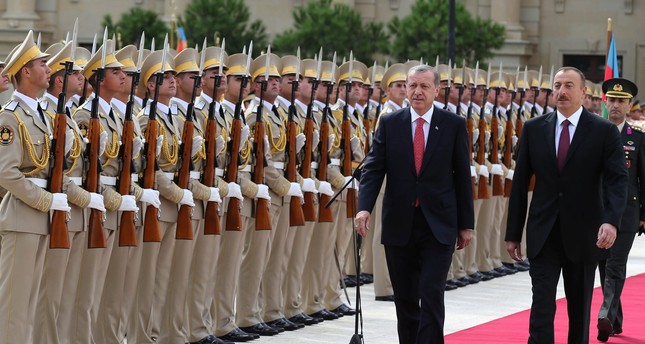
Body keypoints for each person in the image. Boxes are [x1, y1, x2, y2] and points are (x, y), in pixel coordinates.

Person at [505, 66, 628, 344]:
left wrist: (611, 220)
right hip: (543, 233)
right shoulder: (535, 129)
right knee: (541, 305)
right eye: (557, 85)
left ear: (583, 92)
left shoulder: (603, 131)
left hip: (584, 235)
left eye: (569, 86)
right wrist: (513, 233)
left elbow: (616, 181)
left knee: (579, 308)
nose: (561, 91)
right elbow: (521, 181)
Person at [355, 64, 474, 344]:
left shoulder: (453, 124)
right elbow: (374, 168)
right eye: (412, 86)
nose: (417, 92)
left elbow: (461, 176)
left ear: (436, 90)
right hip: (400, 223)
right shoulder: (390, 123)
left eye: (424, 86)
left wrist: (466, 225)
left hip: (439, 225)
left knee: (431, 296)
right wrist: (364, 207)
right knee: (406, 301)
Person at [596, 77, 644, 342]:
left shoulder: (637, 138)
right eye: (611, 100)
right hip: (598, 210)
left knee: (615, 264)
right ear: (605, 102)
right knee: (603, 265)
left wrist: (644, 216)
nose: (615, 105)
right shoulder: (593, 133)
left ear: (629, 105)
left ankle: (605, 314)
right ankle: (615, 319)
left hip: (627, 211)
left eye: (621, 101)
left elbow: (643, 178)